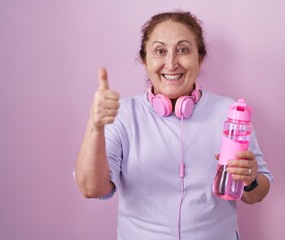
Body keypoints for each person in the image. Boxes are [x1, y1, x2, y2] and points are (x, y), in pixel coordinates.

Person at [75, 11, 273, 240]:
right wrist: (95, 126)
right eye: (160, 51)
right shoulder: (122, 115)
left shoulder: (230, 113)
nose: (171, 63)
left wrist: (250, 179)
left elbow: (257, 194)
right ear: (144, 59)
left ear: (200, 58)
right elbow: (91, 188)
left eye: (183, 50)